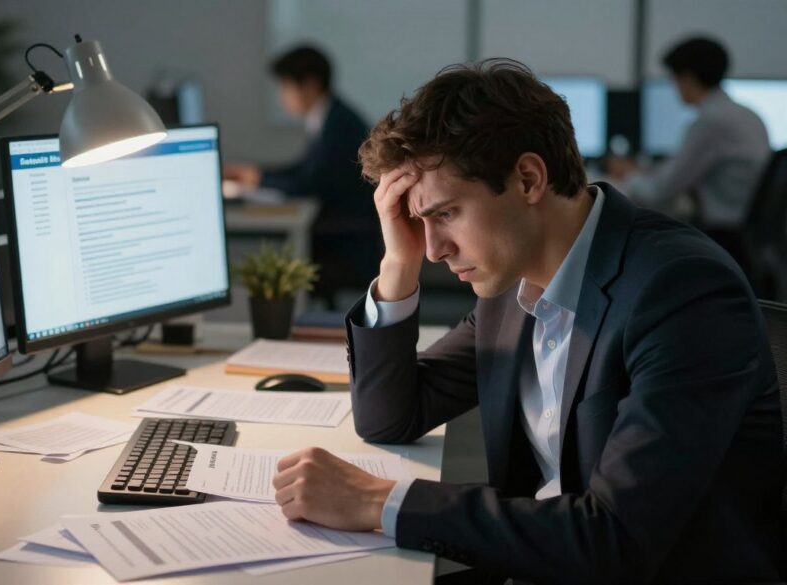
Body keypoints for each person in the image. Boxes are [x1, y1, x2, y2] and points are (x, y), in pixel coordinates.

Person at [272, 59, 784, 583]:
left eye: (445, 214)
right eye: (419, 221)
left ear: (528, 179)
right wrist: (396, 265)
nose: (433, 250)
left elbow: (617, 540)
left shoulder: (681, 292)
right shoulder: (510, 283)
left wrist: (381, 501)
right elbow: (390, 416)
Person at [224, 45, 378, 306]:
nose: (282, 97)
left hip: (348, 242)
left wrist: (257, 179)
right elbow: (304, 168)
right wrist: (255, 175)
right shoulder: (330, 116)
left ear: (309, 84)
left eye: (285, 86)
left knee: (272, 260)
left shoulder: (339, 125)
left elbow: (308, 183)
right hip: (345, 230)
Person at [608, 36, 770, 267]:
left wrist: (627, 176)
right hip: (748, 235)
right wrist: (644, 170)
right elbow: (682, 169)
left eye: (674, 79)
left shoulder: (711, 122)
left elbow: (659, 191)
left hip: (724, 236)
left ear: (687, 78)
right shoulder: (747, 115)